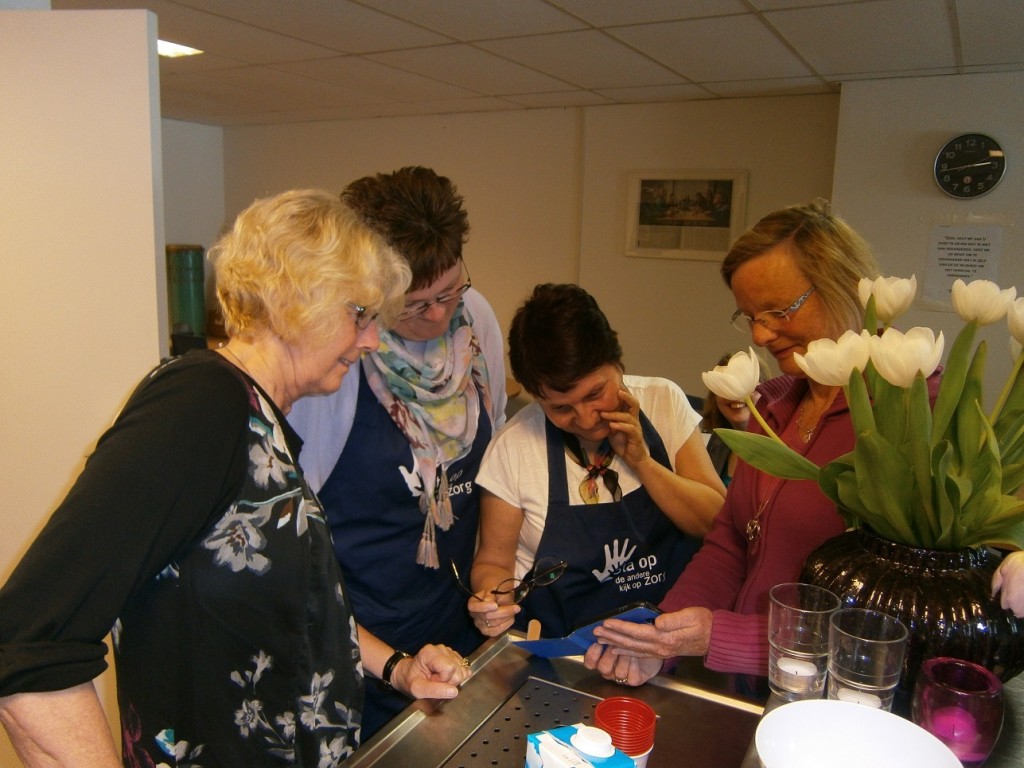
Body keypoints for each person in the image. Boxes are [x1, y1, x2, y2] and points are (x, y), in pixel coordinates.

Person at [0, 190, 473, 767]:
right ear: (293, 299)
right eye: (360, 315)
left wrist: (396, 667)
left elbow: (284, 606)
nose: (372, 339)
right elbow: (28, 639)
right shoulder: (200, 405)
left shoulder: (260, 420)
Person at [583, 199, 926, 690]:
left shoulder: (910, 412)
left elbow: (885, 625)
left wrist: (720, 636)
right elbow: (730, 543)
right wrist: (663, 638)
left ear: (845, 286)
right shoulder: (778, 409)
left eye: (778, 311)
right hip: (748, 685)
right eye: (748, 317)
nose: (761, 335)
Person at [287, 167, 506, 738]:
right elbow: (295, 541)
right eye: (412, 306)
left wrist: (496, 575)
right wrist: (386, 660)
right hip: (358, 641)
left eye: (449, 292)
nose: (437, 317)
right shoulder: (334, 359)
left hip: (454, 627)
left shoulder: (476, 321)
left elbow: (497, 461)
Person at [464, 283, 726, 641]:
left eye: (595, 394)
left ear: (616, 360)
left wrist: (642, 461)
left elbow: (715, 523)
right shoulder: (513, 447)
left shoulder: (664, 402)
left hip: (665, 647)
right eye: (561, 408)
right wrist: (493, 602)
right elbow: (494, 563)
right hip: (562, 658)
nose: (587, 419)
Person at [701, 352, 765, 487]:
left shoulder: (782, 443)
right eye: (725, 387)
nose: (735, 395)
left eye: (744, 384)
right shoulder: (716, 444)